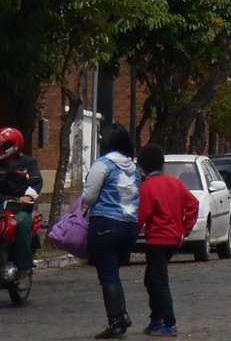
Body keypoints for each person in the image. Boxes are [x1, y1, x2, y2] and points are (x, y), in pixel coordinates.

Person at [82, 123, 141, 339]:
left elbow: (88, 197)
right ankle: (122, 315)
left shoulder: (102, 165)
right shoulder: (134, 169)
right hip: (129, 226)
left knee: (108, 276)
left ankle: (116, 322)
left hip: (105, 224)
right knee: (113, 274)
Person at [135, 144, 197, 338]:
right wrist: (185, 229)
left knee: (158, 281)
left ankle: (168, 322)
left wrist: (130, 233)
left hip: (157, 240)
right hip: (173, 239)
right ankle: (156, 318)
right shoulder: (175, 183)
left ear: (143, 167)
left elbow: (141, 215)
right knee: (152, 278)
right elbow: (193, 204)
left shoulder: (147, 187)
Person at [0, 127, 42, 274]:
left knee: (22, 224)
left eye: (4, 145)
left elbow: (36, 181)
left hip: (20, 207)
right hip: (1, 205)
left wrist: (29, 196)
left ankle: (24, 267)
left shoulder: (28, 162)